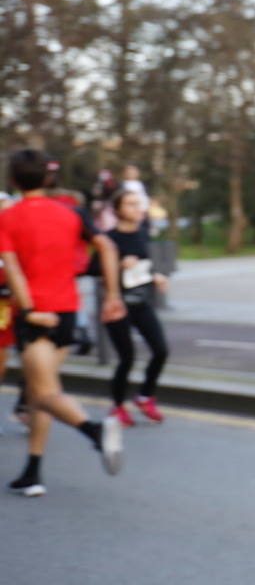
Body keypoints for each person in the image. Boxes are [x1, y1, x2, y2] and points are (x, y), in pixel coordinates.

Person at [1, 149, 127, 497]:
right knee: (45, 390)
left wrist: (27, 311)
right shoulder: (74, 213)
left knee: (42, 393)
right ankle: (32, 471)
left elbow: (12, 270)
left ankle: (96, 432)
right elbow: (108, 247)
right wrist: (113, 295)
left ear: (13, 180)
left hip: (38, 314)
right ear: (47, 177)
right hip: (69, 313)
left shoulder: (8, 218)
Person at [93, 188, 169, 426]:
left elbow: (143, 266)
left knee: (161, 350)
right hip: (118, 305)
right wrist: (118, 265)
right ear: (118, 210)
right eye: (131, 204)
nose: (138, 209)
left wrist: (156, 276)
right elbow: (92, 269)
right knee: (127, 357)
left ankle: (145, 396)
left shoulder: (143, 233)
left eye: (139, 204)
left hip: (141, 302)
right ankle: (117, 407)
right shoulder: (109, 238)